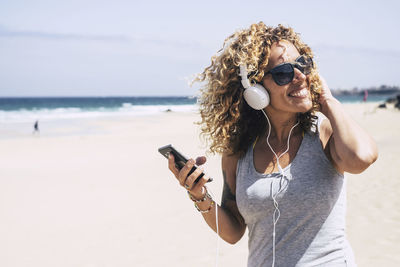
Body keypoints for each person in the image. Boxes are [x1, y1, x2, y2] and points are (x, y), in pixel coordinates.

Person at [167, 22, 378, 267]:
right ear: (255, 89)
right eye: (284, 73)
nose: (300, 77)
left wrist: (327, 100)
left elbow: (361, 158)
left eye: (303, 65)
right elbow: (233, 231)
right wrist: (199, 194)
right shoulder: (238, 152)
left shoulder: (324, 131)